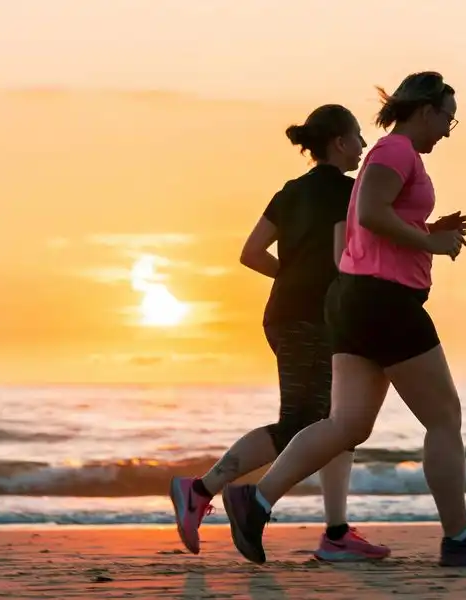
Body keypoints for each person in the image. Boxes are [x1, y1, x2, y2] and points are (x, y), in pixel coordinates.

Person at [221, 72, 466, 567]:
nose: (448, 128)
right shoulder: (396, 152)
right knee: (444, 418)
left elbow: (374, 226)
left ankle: (255, 501)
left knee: (346, 425)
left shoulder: (386, 155)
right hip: (386, 303)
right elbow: (373, 216)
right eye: (448, 116)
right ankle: (459, 536)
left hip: (356, 301)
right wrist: (431, 242)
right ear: (425, 110)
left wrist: (425, 226)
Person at [169, 104, 390, 562]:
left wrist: (289, 278)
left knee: (337, 421)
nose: (364, 146)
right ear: (340, 142)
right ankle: (201, 489)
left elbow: (251, 253)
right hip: (313, 317)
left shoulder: (289, 192)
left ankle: (336, 532)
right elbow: (338, 260)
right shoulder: (347, 193)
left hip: (287, 312)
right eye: (358, 138)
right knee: (302, 421)